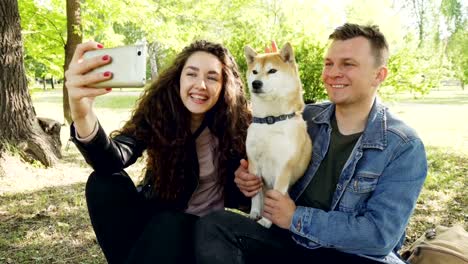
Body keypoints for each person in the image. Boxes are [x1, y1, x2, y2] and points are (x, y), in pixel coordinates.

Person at [194, 23, 428, 264]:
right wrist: (254, 183)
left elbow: (379, 237)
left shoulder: (403, 146)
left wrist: (296, 217)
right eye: (329, 63)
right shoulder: (304, 118)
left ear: (378, 75)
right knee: (216, 225)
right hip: (290, 243)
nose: (334, 73)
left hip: (353, 256)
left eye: (348, 64)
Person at [65, 40, 252, 263]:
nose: (200, 84)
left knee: (171, 222)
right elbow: (114, 157)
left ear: (224, 86)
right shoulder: (160, 112)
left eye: (212, 77)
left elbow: (249, 197)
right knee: (103, 183)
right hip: (155, 220)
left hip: (200, 231)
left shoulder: (237, 127)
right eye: (191, 74)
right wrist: (82, 116)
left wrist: (249, 183)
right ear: (178, 79)